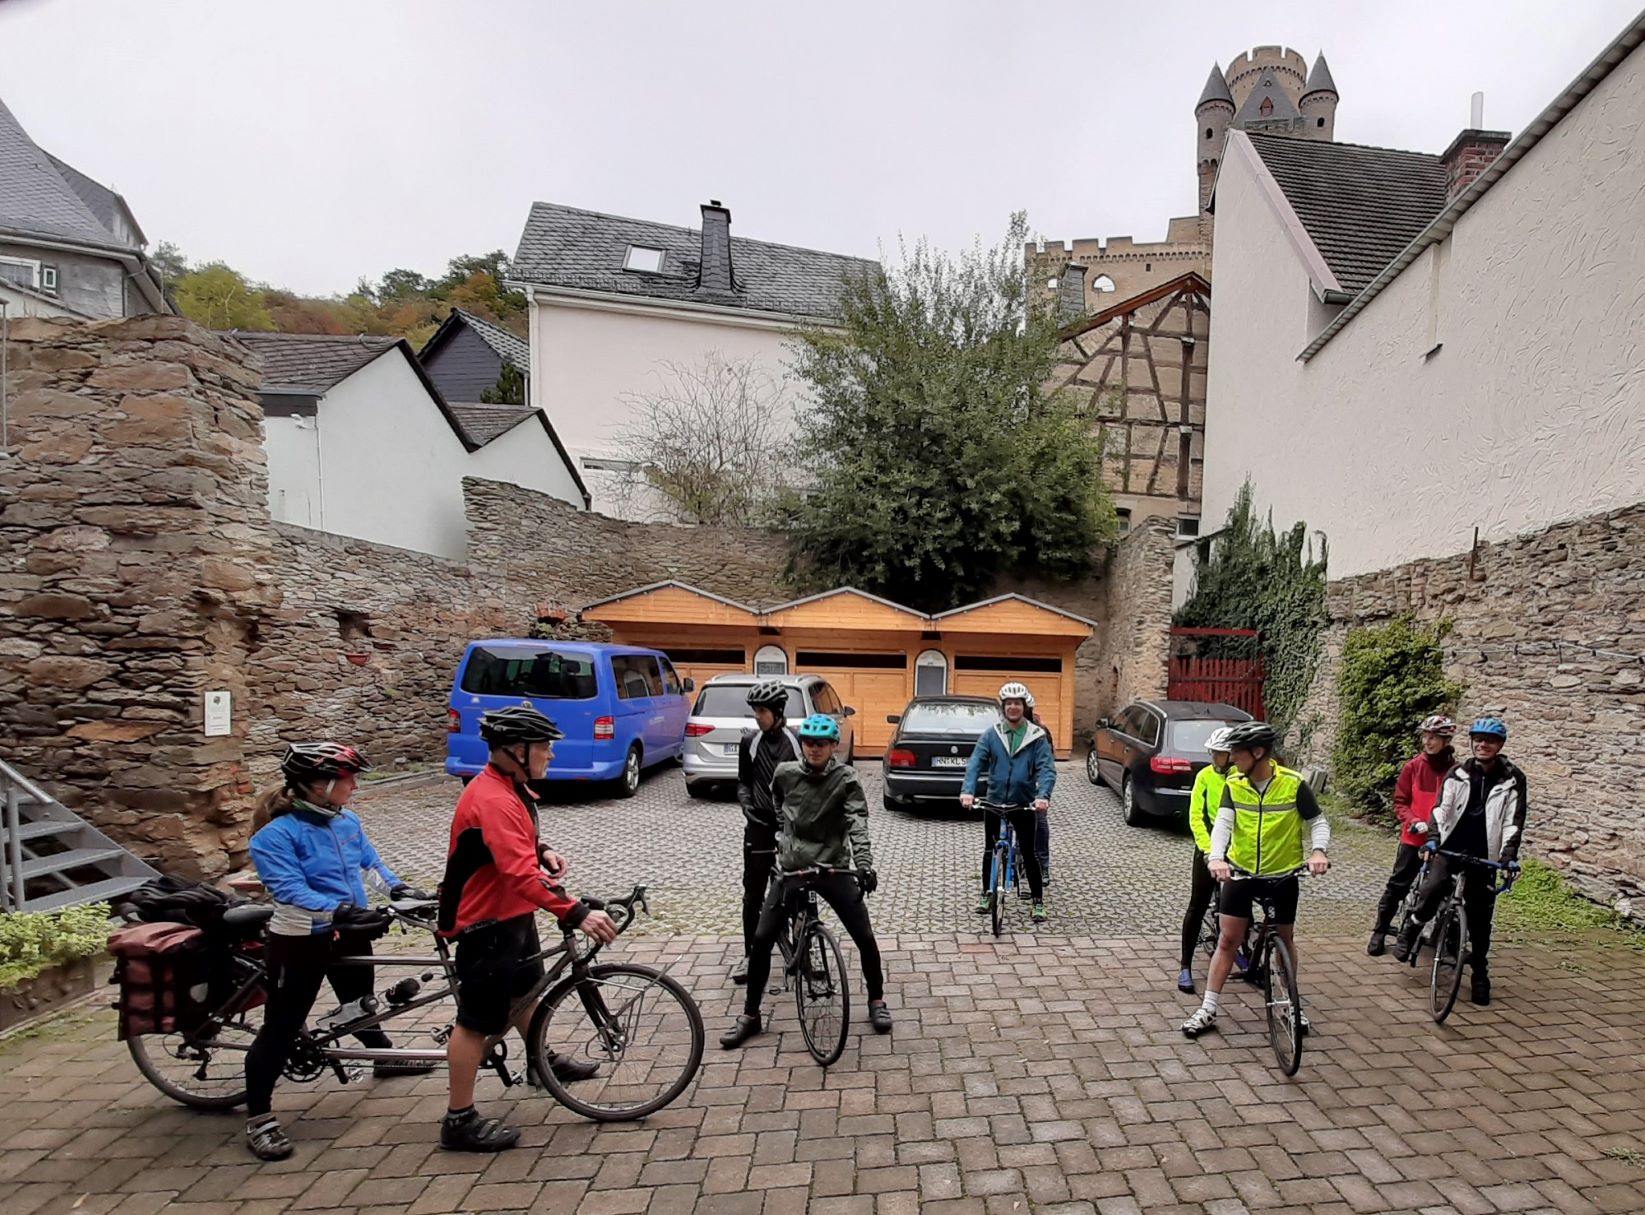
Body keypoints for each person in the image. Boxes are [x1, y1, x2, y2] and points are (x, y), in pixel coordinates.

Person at [437, 703, 618, 1152]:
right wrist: (576, 912)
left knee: (525, 993)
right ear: (517, 750)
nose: (551, 756)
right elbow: (517, 873)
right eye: (545, 748)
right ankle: (458, 1119)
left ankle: (542, 1061)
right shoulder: (493, 797)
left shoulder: (508, 787)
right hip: (485, 923)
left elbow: (517, 844)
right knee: (475, 1022)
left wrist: (543, 848)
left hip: (512, 913)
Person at [243, 742, 436, 1161]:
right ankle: (258, 1117)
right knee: (281, 1026)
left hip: (347, 929)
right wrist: (337, 910)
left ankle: (382, 1057)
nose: (353, 785)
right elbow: (288, 889)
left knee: (360, 1003)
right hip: (300, 937)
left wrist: (400, 890)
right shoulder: (274, 836)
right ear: (316, 785)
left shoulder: (347, 821)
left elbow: (371, 866)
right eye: (346, 778)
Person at [720, 713, 890, 1048]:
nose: (815, 749)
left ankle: (876, 1000)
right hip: (793, 867)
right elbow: (776, 801)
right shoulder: (785, 774)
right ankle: (750, 1015)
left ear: (832, 747)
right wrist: (786, 835)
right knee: (762, 938)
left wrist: (865, 865)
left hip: (833, 867)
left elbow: (857, 822)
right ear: (803, 745)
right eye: (809, 743)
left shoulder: (846, 779)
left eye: (822, 743)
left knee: (864, 935)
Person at [1181, 720, 1330, 1039]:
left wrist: (1318, 852)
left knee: (1286, 941)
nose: (1232, 757)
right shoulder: (1234, 783)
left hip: (1283, 874)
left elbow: (1318, 822)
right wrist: (1217, 857)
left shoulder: (1293, 783)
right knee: (1227, 940)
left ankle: (1291, 1004)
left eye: (1237, 752)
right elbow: (1222, 825)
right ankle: (1207, 1008)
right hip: (1241, 871)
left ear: (1258, 752)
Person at [1392, 717, 1526, 1005]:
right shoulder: (1458, 773)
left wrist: (1508, 857)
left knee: (1480, 919)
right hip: (1452, 846)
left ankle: (1480, 973)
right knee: (1432, 887)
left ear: (1500, 745)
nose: (1482, 745)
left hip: (1484, 853)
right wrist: (1433, 840)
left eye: (1489, 741)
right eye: (1477, 739)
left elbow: (1514, 821)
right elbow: (1442, 809)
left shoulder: (1513, 778)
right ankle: (1412, 927)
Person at [961, 682, 1055, 925]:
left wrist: (1043, 795)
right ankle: (986, 894)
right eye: (1009, 703)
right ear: (1003, 707)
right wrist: (968, 791)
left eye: (1017, 703)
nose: (1013, 707)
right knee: (990, 850)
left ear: (1024, 707)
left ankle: (1037, 901)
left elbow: (1047, 769)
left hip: (1023, 803)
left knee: (1028, 852)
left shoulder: (1036, 736)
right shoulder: (992, 734)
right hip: (994, 800)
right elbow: (975, 763)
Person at [1367, 716, 1457, 957]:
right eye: (1425, 736)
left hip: (1441, 840)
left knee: (1441, 887)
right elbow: (1401, 801)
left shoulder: (1456, 772)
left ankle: (1424, 930)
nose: (1427, 742)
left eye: (1434, 737)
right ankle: (1380, 930)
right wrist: (1413, 821)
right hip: (1414, 837)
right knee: (1398, 885)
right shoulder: (1413, 767)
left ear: (1446, 740)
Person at [732, 680, 802, 985]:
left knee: (798, 891)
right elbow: (743, 781)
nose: (757, 717)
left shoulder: (796, 741)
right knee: (753, 893)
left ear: (778, 711)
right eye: (755, 711)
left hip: (790, 826)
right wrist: (746, 804)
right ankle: (751, 956)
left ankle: (803, 954)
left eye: (762, 711)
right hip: (759, 825)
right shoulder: (750, 742)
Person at [1177, 726, 1236, 993]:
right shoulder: (1204, 776)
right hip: (1209, 846)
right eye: (1213, 752)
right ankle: (1186, 965)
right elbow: (1195, 816)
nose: (1214, 757)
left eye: (1220, 753)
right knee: (1197, 906)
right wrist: (1207, 848)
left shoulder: (1239, 777)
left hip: (1236, 848)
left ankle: (1238, 949)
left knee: (1236, 905)